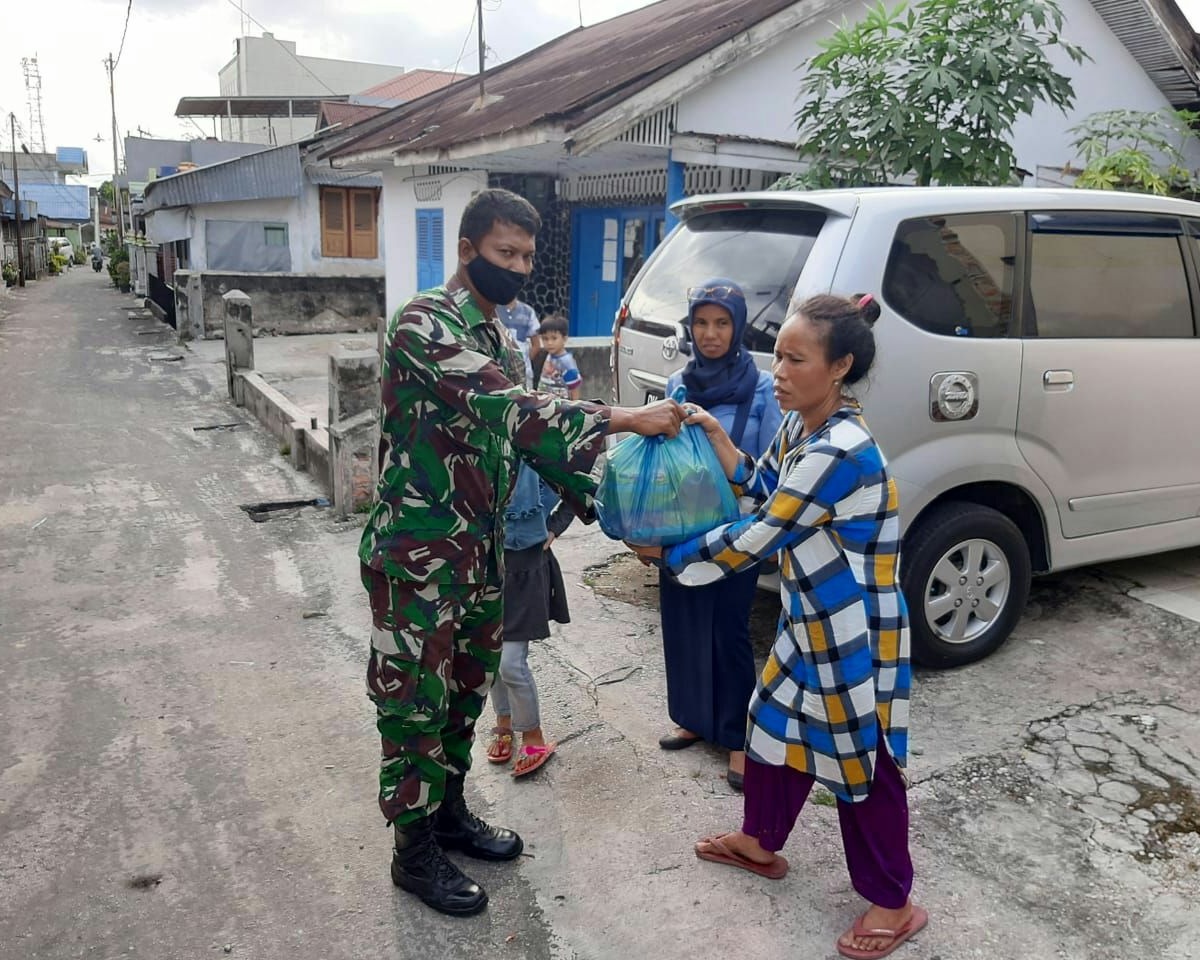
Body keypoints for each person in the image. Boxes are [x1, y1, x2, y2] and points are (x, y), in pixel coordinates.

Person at [361, 187, 685, 918]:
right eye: (506, 253)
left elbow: (530, 444)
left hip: (479, 555)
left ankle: (447, 815)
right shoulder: (424, 324)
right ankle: (412, 852)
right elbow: (513, 410)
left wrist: (610, 510)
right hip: (418, 557)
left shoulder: (505, 338)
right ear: (468, 250)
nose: (520, 267)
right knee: (415, 703)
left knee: (467, 693)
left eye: (528, 256)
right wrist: (626, 418)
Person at [629, 294, 926, 960]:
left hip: (852, 633)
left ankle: (896, 901)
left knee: (861, 763)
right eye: (778, 355)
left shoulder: (844, 449)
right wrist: (713, 434)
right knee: (771, 726)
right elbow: (761, 485)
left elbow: (759, 534)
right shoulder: (802, 427)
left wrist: (670, 556)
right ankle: (761, 843)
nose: (780, 372)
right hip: (808, 622)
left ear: (840, 365)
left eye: (796, 359)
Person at [656, 279, 781, 792]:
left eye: (722, 322)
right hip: (683, 526)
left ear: (738, 326)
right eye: (701, 323)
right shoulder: (676, 383)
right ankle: (694, 718)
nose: (710, 334)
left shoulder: (763, 387)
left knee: (727, 633)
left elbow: (771, 463)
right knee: (684, 624)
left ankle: (737, 738)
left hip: (736, 531)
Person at [485, 462, 573, 777]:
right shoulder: (485, 440)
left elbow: (580, 487)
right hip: (486, 566)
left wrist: (555, 526)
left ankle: (533, 736)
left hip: (527, 566)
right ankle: (503, 721)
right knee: (491, 654)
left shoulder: (539, 440)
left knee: (510, 662)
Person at [536, 314, 582, 400]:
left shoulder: (566, 362)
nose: (549, 343)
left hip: (560, 408)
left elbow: (574, 388)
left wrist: (575, 409)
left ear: (564, 339)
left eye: (554, 338)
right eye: (545, 339)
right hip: (545, 405)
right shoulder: (549, 356)